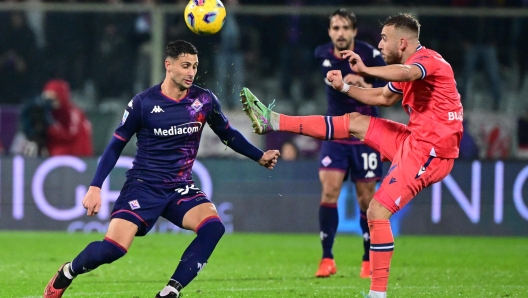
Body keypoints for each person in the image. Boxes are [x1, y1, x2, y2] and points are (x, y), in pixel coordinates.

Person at [240, 13, 462, 298]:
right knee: (355, 121)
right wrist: (345, 87)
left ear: (403, 42)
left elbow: (407, 74)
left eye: (384, 39)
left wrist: (367, 69)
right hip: (414, 140)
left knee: (377, 211)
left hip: (432, 152)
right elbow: (382, 98)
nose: (380, 44)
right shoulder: (410, 65)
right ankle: (274, 120)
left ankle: (377, 294)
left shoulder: (427, 62)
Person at [43, 40, 280, 298]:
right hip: (144, 185)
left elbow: (228, 135)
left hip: (180, 186)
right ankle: (67, 272)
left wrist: (259, 156)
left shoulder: (204, 100)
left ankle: (170, 291)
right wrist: (95, 186)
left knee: (214, 227)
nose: (191, 72)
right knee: (113, 249)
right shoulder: (143, 103)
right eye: (185, 66)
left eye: (195, 66)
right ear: (169, 65)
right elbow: (114, 147)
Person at [313, 8, 387, 279]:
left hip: (366, 134)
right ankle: (326, 258)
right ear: (330, 32)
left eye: (345, 28)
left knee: (367, 199)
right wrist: (346, 81)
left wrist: (363, 81)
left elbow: (385, 88)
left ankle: (368, 260)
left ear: (354, 31)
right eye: (335, 28)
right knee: (329, 190)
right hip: (336, 134)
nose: (340, 33)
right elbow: (331, 80)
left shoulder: (371, 55)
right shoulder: (322, 54)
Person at [42, 79, 94, 157]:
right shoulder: (49, 114)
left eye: (53, 99)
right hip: (55, 160)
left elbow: (69, 135)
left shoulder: (75, 114)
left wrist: (50, 125)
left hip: (75, 158)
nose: (50, 103)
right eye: (47, 100)